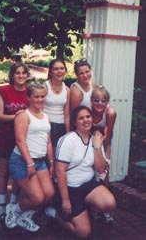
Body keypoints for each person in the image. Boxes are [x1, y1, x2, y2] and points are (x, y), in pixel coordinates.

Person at [45, 105, 116, 238]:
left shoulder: (95, 138)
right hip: (70, 188)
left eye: (88, 117)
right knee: (83, 232)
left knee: (109, 203)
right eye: (81, 118)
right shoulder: (68, 140)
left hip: (88, 185)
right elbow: (60, 172)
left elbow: (101, 169)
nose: (86, 120)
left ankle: (85, 207)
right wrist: (66, 200)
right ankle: (53, 212)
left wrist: (96, 146)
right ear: (74, 122)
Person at [5, 82, 55, 232]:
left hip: (40, 162)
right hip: (22, 161)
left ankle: (24, 216)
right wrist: (29, 163)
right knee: (37, 198)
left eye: (42, 96)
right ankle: (14, 210)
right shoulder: (23, 115)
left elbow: (48, 143)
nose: (40, 100)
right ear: (29, 98)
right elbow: (20, 141)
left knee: (49, 194)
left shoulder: (46, 116)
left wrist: (51, 162)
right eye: (36, 97)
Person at [0, 62, 29, 221]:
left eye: (23, 73)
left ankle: (13, 204)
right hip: (6, 137)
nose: (21, 76)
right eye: (17, 73)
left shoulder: (30, 92)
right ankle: (1, 206)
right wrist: (18, 116)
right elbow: (0, 116)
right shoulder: (4, 91)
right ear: (12, 75)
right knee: (4, 172)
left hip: (22, 139)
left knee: (18, 174)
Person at [91, 85, 117, 223]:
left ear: (107, 101)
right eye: (96, 100)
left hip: (104, 142)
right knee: (90, 173)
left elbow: (107, 136)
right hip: (90, 143)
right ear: (91, 101)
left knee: (104, 173)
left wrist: (104, 156)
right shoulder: (88, 111)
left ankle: (105, 211)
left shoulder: (110, 112)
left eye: (103, 100)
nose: (100, 104)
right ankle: (92, 206)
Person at [43, 59, 71, 151]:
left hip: (61, 126)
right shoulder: (45, 87)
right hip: (47, 126)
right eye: (56, 69)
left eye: (62, 68)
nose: (59, 71)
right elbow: (38, 110)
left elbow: (66, 115)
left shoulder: (67, 90)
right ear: (50, 72)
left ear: (65, 70)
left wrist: (68, 134)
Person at [70, 58, 96, 129]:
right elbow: (74, 115)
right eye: (81, 73)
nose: (85, 75)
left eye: (87, 72)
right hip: (82, 125)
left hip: (92, 120)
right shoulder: (76, 91)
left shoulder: (92, 83)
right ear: (76, 75)